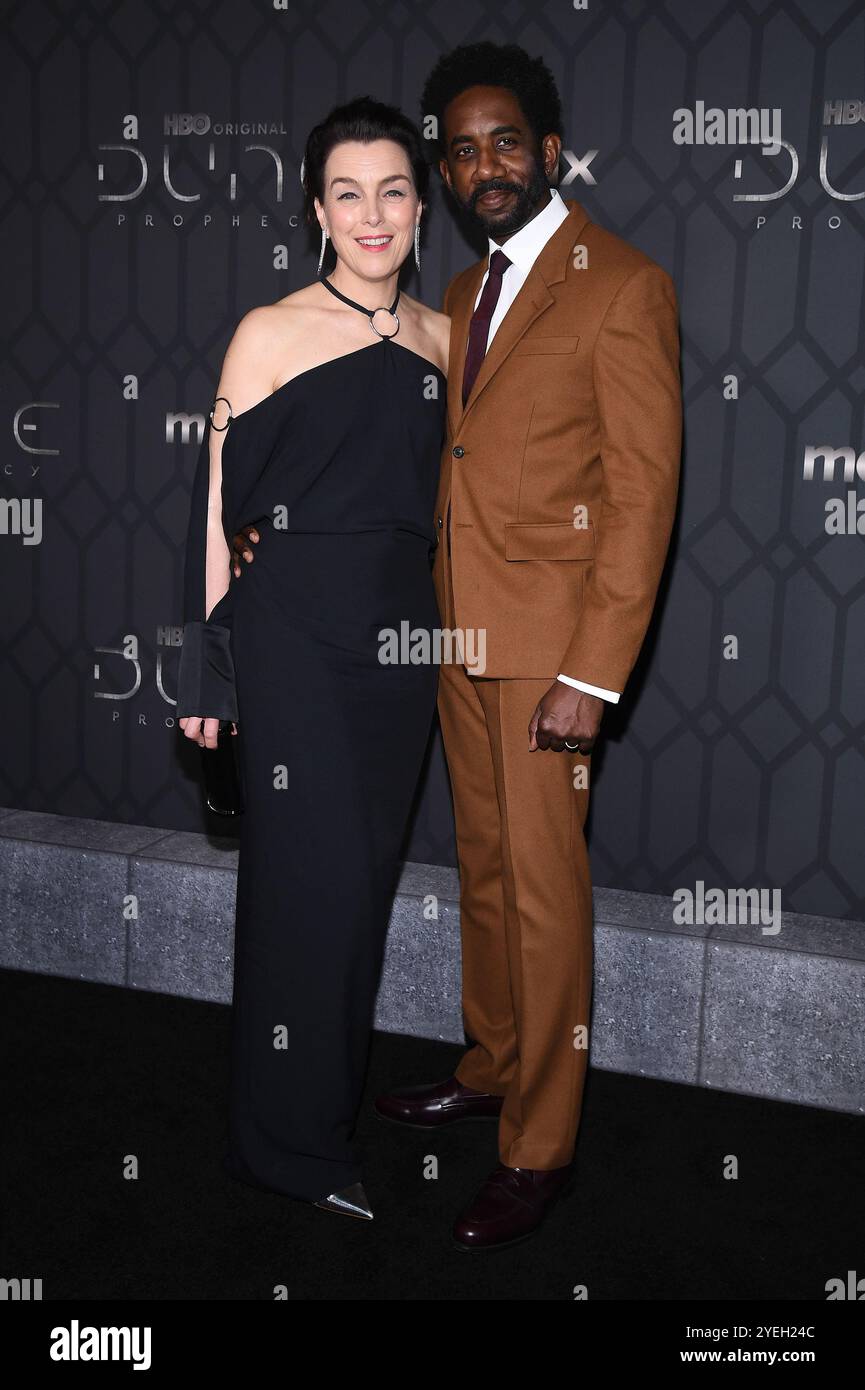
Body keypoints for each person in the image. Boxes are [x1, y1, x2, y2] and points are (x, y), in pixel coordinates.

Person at [232, 42, 683, 1252]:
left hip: (552, 662)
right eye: (463, 147)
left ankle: (538, 1147)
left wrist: (592, 677)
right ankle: (489, 1064)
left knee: (544, 899)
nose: (484, 165)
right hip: (451, 646)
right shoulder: (469, 297)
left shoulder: (619, 284)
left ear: (548, 150)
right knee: (483, 874)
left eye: (506, 143)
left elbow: (643, 497)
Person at [176, 96, 449, 1220]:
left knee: (358, 899)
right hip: (292, 642)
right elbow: (212, 514)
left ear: (419, 207)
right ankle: (286, 1145)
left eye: (392, 189)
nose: (371, 213)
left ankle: (314, 1120)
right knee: (305, 895)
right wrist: (212, 669)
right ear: (316, 211)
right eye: (348, 192)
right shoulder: (268, 332)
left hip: (402, 650)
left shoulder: (441, 339)